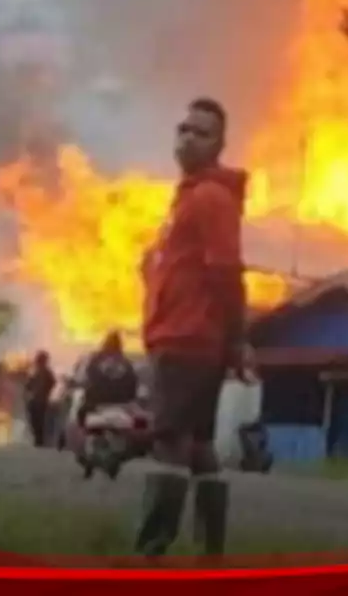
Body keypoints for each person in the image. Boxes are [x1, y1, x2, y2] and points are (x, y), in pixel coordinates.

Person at [136, 97, 254, 559]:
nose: (188, 137)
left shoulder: (210, 197)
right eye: (183, 129)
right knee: (199, 443)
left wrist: (237, 337)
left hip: (188, 339)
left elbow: (227, 271)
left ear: (220, 143)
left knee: (168, 441)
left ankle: (150, 552)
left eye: (201, 132)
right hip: (185, 335)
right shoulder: (187, 197)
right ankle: (210, 553)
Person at [78, 331, 139, 428]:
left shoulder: (94, 360)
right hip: (123, 405)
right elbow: (133, 386)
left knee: (79, 420)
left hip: (96, 405)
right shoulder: (127, 363)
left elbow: (86, 379)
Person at [24, 350, 56, 448]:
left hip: (40, 400)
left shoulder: (45, 372)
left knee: (39, 420)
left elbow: (52, 383)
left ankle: (39, 439)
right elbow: (28, 385)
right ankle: (39, 439)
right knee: (36, 420)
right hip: (37, 400)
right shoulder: (36, 371)